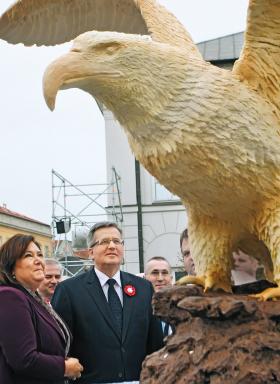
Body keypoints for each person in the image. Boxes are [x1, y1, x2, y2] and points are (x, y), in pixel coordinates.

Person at [52, 221, 163, 384]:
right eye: (104, 242)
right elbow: (60, 346)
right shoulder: (69, 291)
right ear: (91, 252)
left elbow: (155, 343)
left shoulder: (144, 288)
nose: (112, 246)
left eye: (117, 241)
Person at [0, 234, 83, 384]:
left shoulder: (33, 298)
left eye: (40, 254)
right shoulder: (10, 296)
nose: (38, 260)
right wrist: (64, 367)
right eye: (28, 255)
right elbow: (24, 359)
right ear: (11, 267)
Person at [144, 256, 173, 337]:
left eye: (164, 273)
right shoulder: (136, 310)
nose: (160, 278)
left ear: (171, 278)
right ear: (144, 278)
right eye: (155, 273)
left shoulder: (183, 308)